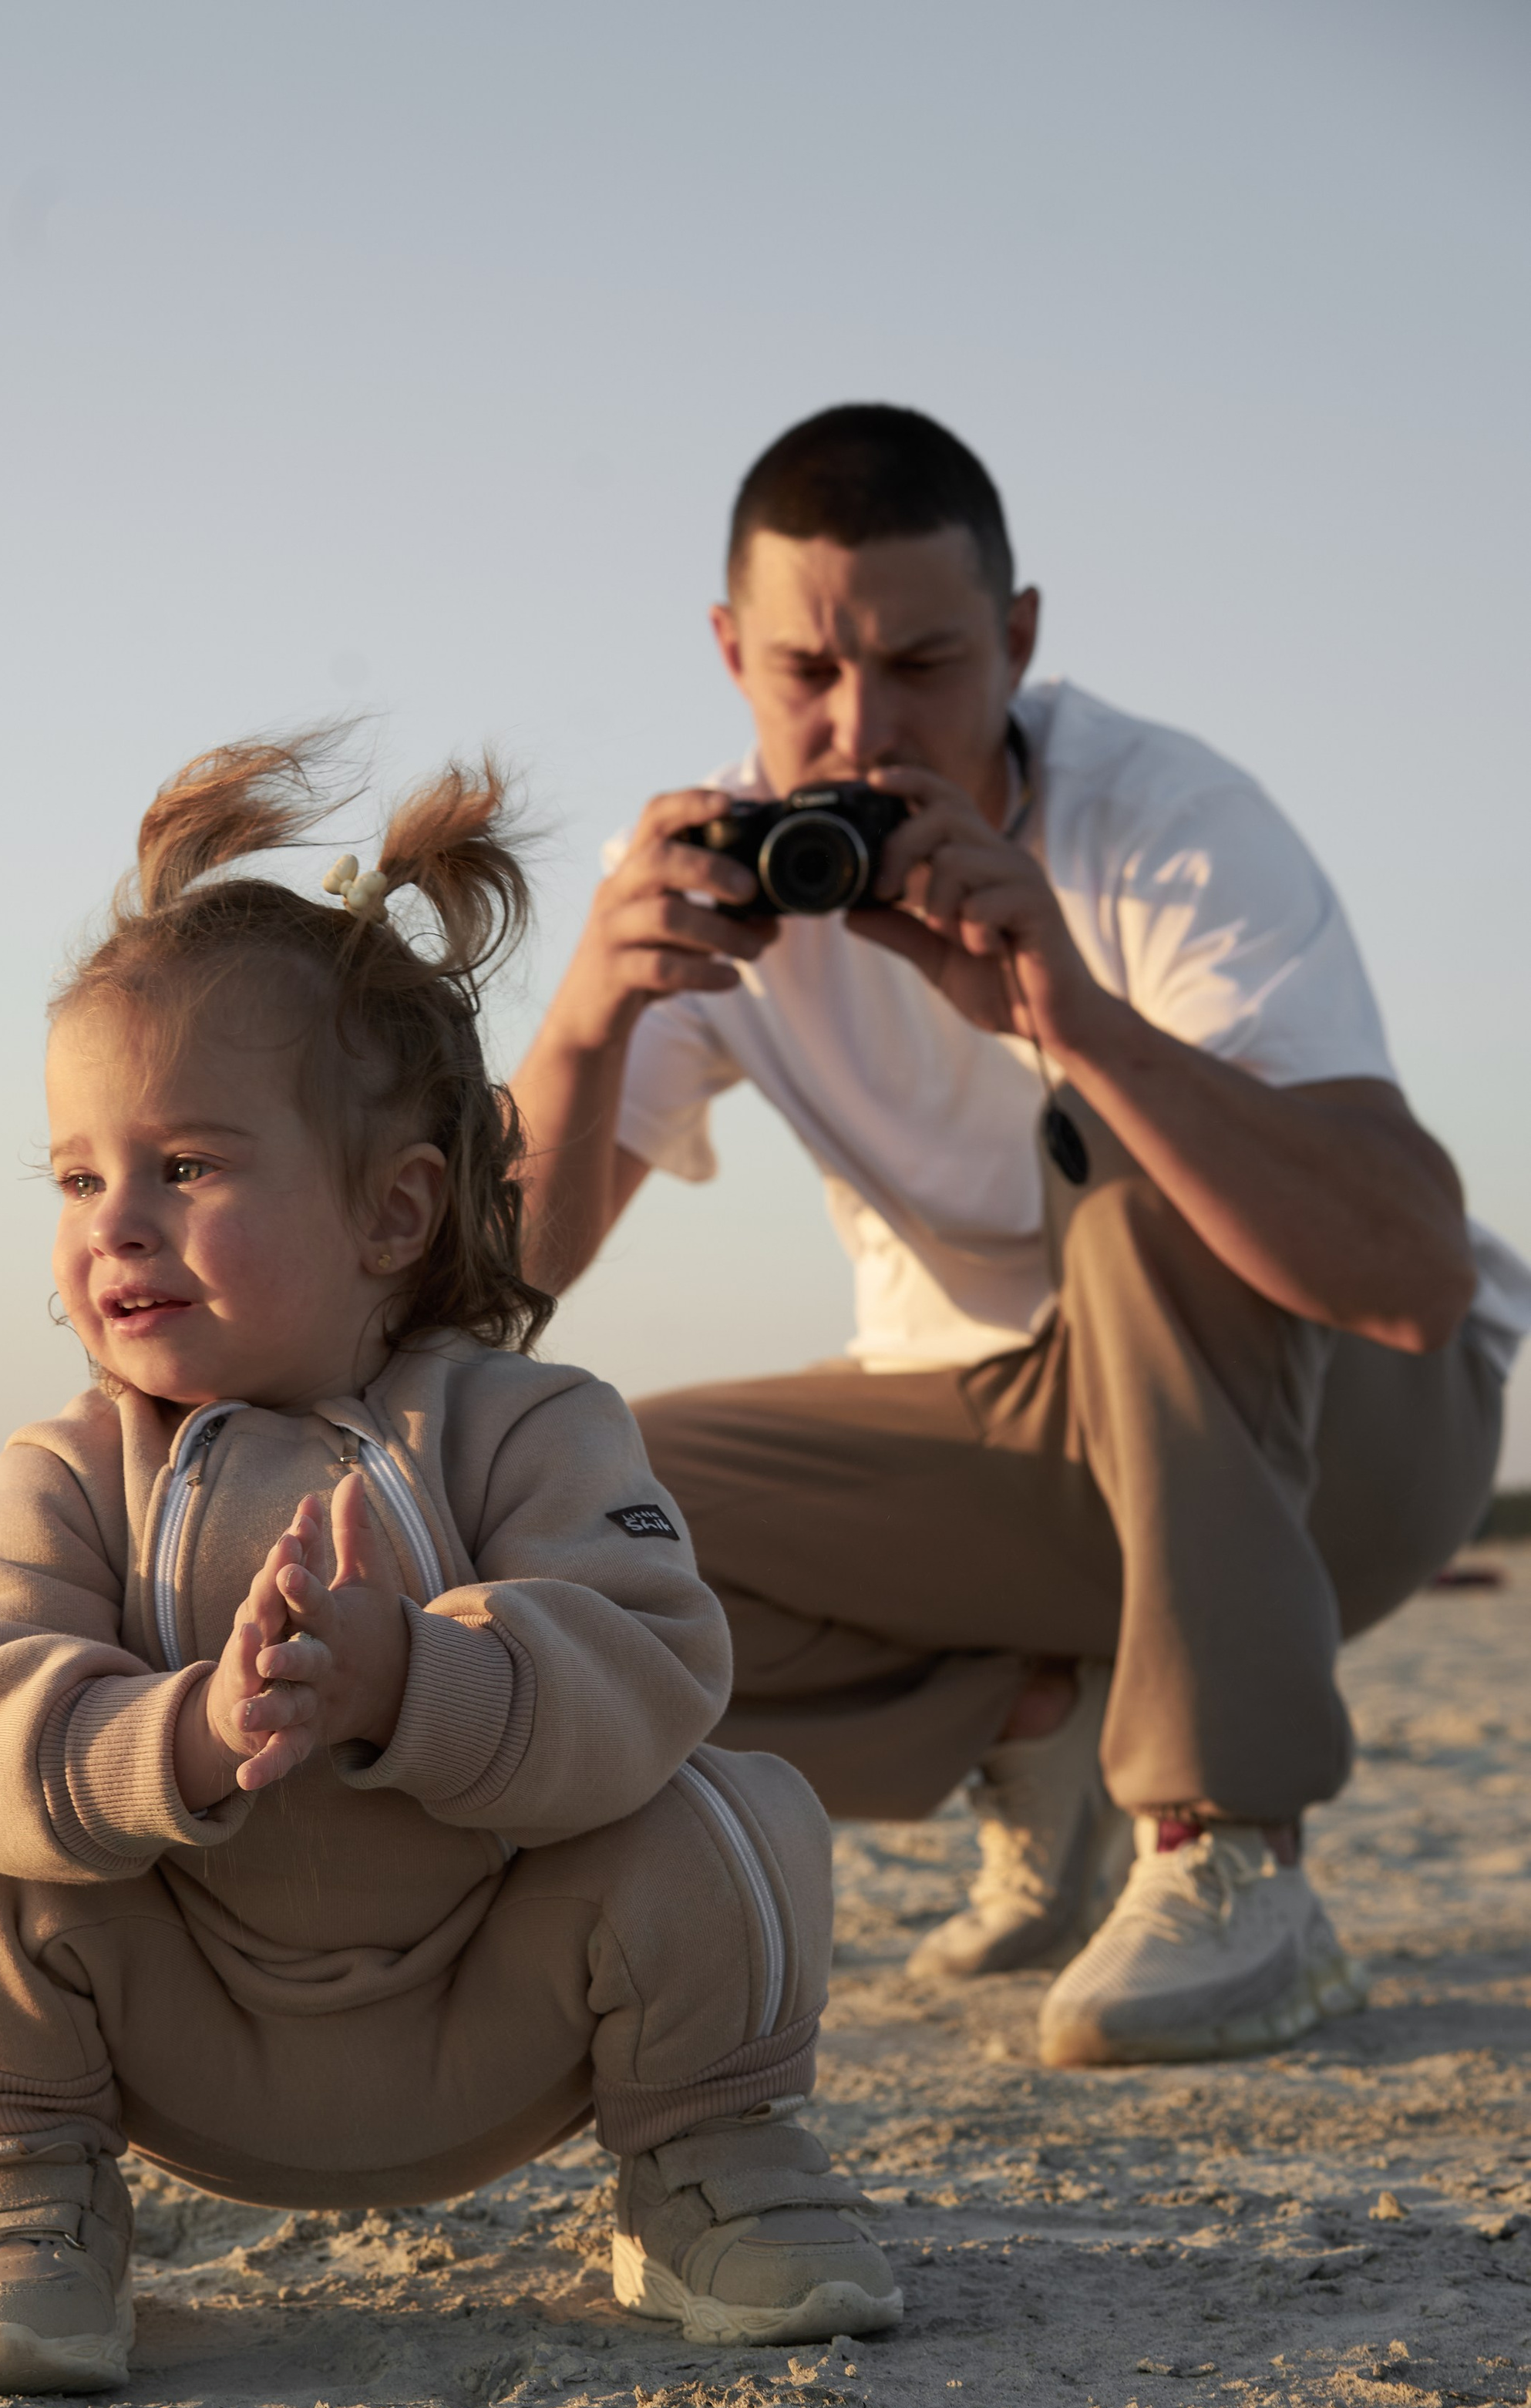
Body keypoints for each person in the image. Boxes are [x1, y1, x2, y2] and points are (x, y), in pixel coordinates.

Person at [0, 734, 902, 2396]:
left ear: (393, 1213)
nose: (112, 1222)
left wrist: (418, 1675)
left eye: (182, 1168)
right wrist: (181, 1736)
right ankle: (24, 2202)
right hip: (185, 2017)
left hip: (497, 2005)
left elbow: (647, 1664)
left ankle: (712, 2164)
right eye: (76, 1175)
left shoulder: (523, 1424)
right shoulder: (67, 1469)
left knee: (728, 1808)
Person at [511, 405, 1528, 2071]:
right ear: (725, 651)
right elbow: (499, 1299)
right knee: (543, 1515)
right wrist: (578, 1031)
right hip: (1021, 1458)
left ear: (1019, 640)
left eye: (922, 665)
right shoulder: (723, 880)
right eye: (803, 677)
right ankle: (1044, 1732)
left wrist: (1071, 1018)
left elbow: (1408, 1281)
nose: (856, 733)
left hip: (1348, 1445)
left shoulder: (1168, 825)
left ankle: (1226, 1841)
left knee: (1135, 1185)